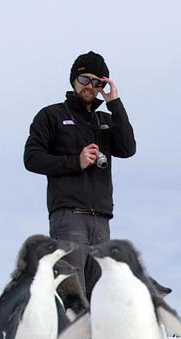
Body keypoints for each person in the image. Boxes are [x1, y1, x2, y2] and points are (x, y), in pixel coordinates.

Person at [24, 51, 136, 300]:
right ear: (74, 79)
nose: (91, 86)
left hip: (102, 221)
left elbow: (128, 148)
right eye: (85, 79)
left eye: (98, 82)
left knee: (99, 299)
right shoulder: (51, 116)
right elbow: (31, 158)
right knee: (71, 296)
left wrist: (114, 103)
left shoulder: (105, 120)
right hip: (69, 217)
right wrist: (76, 161)